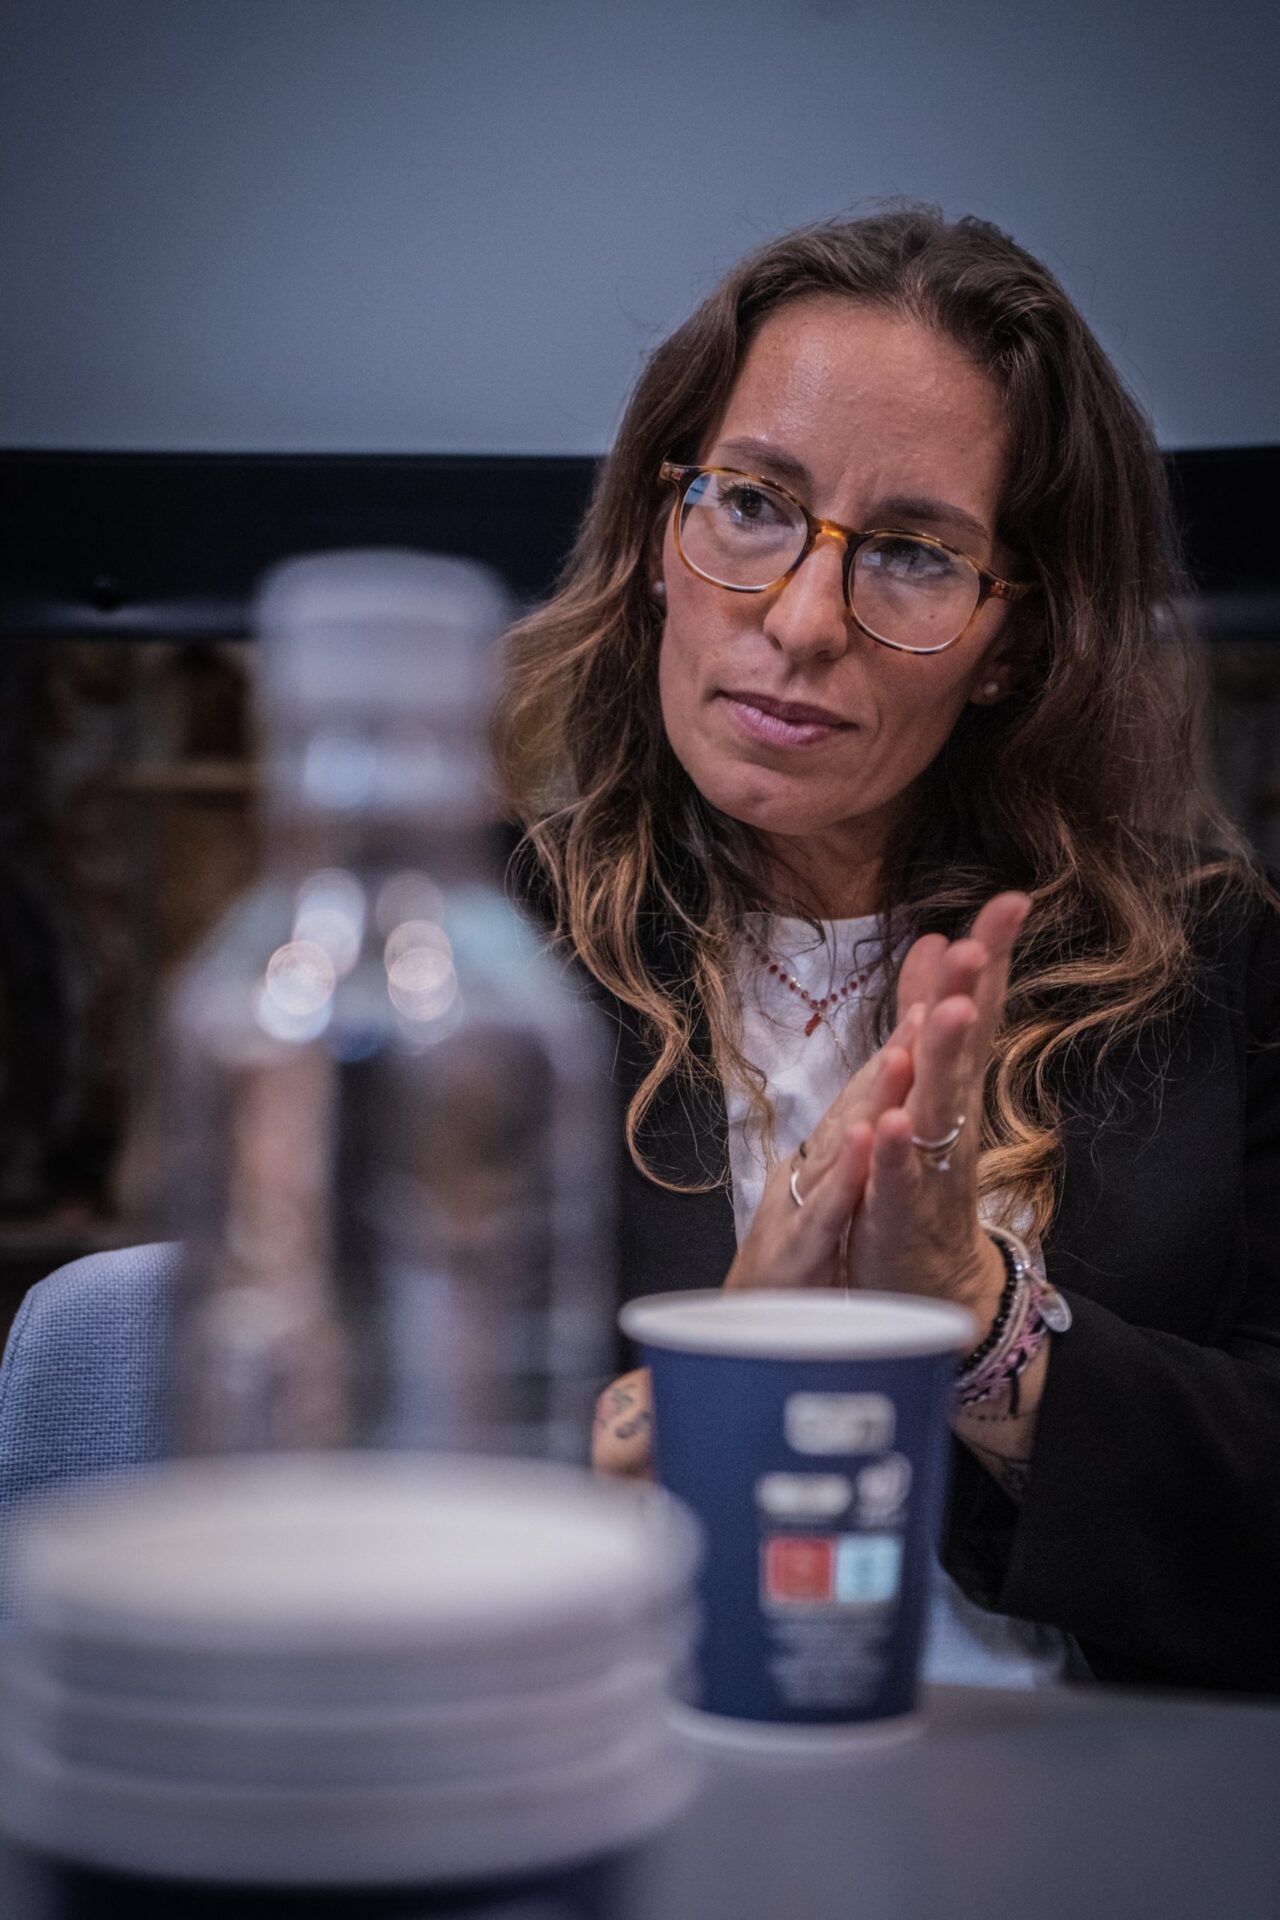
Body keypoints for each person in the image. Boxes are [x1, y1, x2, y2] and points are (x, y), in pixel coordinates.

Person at [494, 205, 1280, 1695]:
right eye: (750, 503)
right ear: (660, 537)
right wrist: (725, 1368)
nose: (801, 620)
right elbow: (353, 1498)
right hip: (619, 1753)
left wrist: (981, 1323)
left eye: (914, 553)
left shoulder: (1218, 969)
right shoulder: (471, 968)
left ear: (1014, 644)